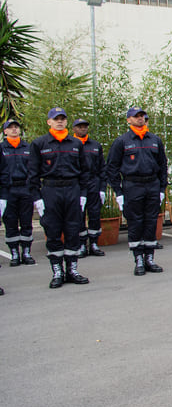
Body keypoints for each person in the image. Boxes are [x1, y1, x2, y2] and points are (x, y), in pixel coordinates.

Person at [28, 107, 92, 288]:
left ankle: (72, 270)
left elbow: (85, 172)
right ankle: (57, 271)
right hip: (51, 190)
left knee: (73, 230)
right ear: (49, 122)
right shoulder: (39, 144)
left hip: (72, 190)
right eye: (56, 119)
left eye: (63, 119)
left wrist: (83, 194)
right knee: (53, 231)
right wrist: (37, 197)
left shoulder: (76, 144)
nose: (60, 121)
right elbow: (32, 173)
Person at [105, 107, 168, 276]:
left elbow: (163, 166)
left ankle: (149, 258)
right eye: (136, 116)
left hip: (152, 185)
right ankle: (138, 259)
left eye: (142, 116)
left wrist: (162, 188)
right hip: (132, 186)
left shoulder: (154, 140)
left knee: (150, 222)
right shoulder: (122, 141)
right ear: (128, 120)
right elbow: (111, 168)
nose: (140, 119)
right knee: (135, 223)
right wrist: (118, 192)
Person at [0, 118, 36, 266]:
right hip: (8, 190)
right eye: (11, 127)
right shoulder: (2, 148)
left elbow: (33, 169)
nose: (14, 129)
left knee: (26, 221)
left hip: (25, 188)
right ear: (5, 131)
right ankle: (14, 253)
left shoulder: (27, 147)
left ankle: (26, 252)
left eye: (16, 127)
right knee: (10, 222)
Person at [70, 118, 107, 258]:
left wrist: (102, 188)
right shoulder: (70, 145)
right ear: (73, 129)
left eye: (85, 126)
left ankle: (93, 243)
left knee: (94, 214)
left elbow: (102, 167)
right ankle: (81, 244)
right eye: (79, 126)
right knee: (78, 216)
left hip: (93, 183)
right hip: (77, 185)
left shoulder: (95, 145)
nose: (83, 129)